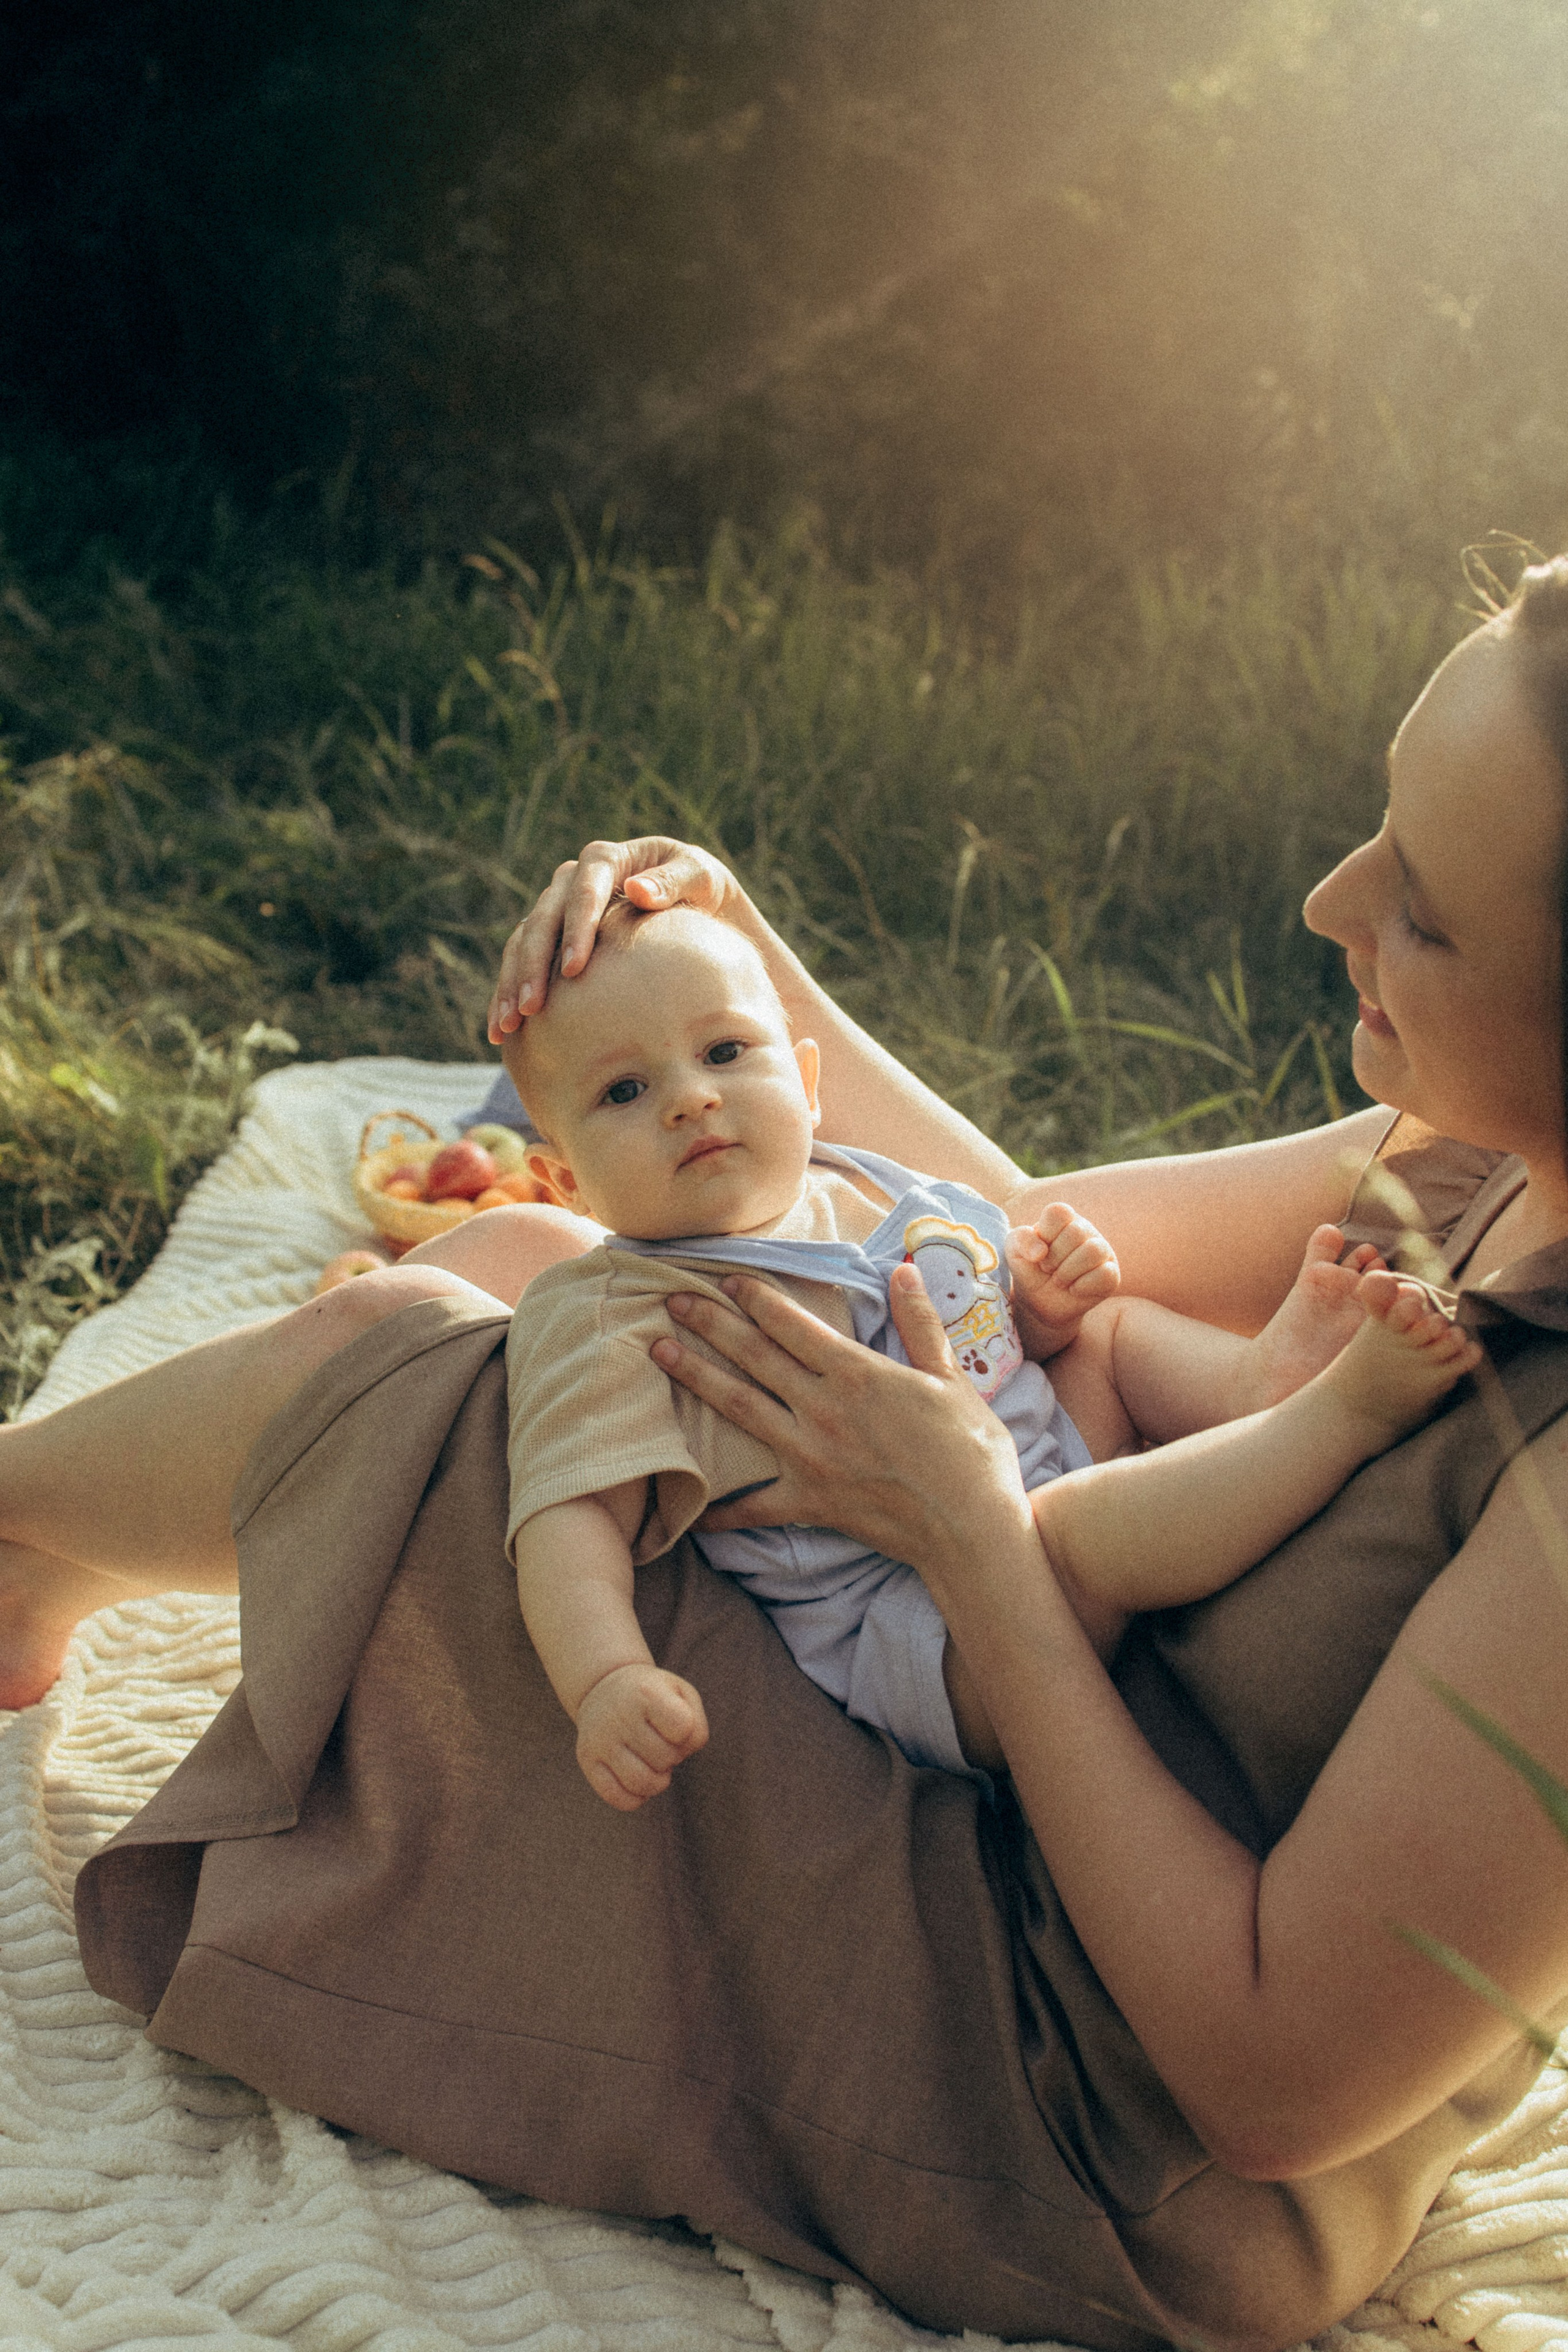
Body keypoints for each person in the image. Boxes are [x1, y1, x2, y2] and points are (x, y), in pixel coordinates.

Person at [2, 561, 1566, 2349]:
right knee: (544, 1274)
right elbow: (992, 1240)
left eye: (1424, 914)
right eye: (1378, 827)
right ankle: (48, 1532)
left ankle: (23, 1520)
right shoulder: (1469, 1150)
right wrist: (743, 954)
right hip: (1004, 1747)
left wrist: (974, 1536)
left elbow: (1268, 2089)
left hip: (1068, 2098)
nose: (1328, 898)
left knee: (439, 1365)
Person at [503, 893, 1477, 1803]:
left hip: (1027, 1459)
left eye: (724, 1052)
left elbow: (988, 1341)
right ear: (565, 1184)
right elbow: (567, 1516)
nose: (690, 1100)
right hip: (927, 1631)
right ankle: (1339, 1418)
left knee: (1110, 1333)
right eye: (625, 1090)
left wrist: (1042, 1313)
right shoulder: (612, 1312)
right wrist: (607, 1676)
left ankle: (1251, 1382)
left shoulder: (857, 1190)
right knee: (1076, 1535)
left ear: (804, 1085)